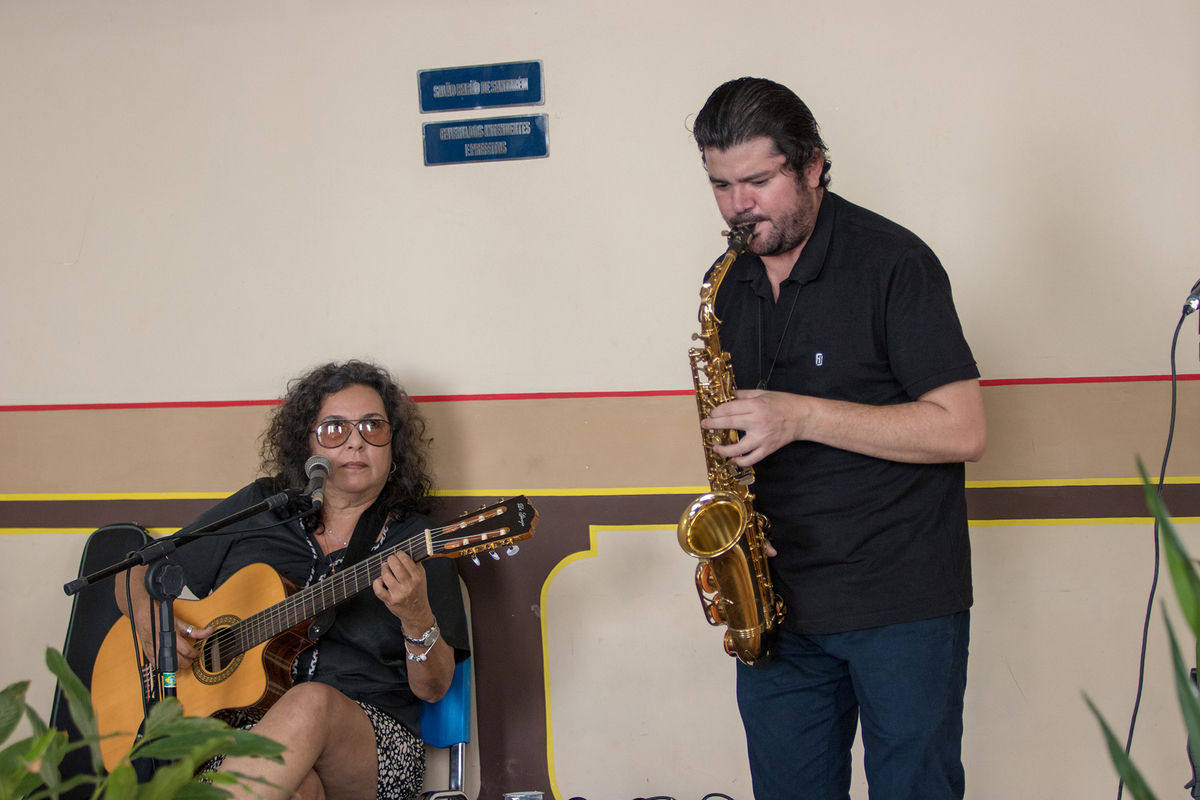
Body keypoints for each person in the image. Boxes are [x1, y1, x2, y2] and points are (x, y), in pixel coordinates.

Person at [691, 78, 987, 800]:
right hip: (778, 606)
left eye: (758, 181)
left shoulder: (895, 264)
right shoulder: (727, 284)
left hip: (901, 604)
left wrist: (806, 416)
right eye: (721, 185)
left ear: (814, 166)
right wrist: (735, 532)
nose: (739, 205)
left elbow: (963, 429)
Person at [115, 360, 470, 800]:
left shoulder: (420, 542)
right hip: (235, 734)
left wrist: (416, 618)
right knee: (296, 788)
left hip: (371, 743)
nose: (356, 442)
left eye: (373, 427)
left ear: (392, 447)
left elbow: (433, 689)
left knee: (310, 702)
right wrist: (148, 619)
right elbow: (138, 568)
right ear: (307, 444)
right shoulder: (263, 507)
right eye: (335, 429)